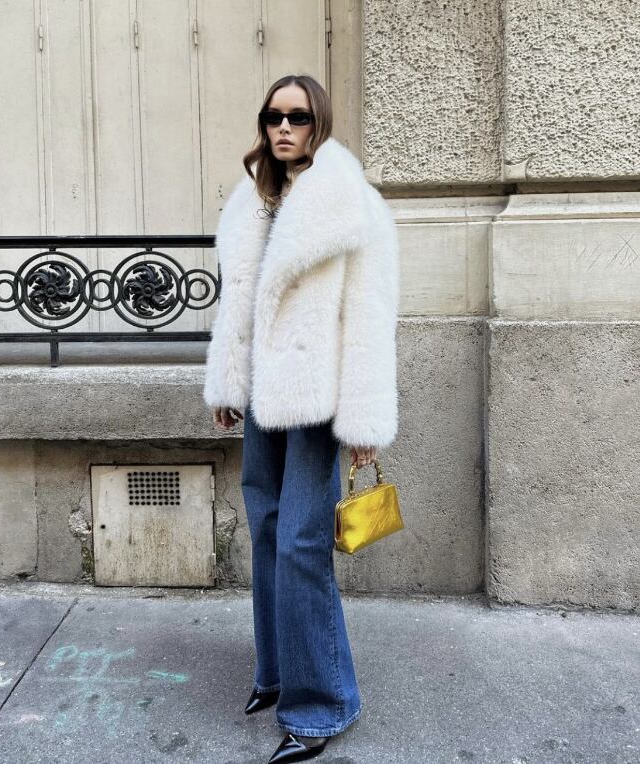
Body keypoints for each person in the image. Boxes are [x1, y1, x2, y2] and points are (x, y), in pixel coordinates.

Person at [203, 73, 399, 763]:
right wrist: (228, 381)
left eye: (298, 116)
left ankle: (323, 704)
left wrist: (363, 423)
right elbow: (237, 302)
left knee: (300, 544)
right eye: (273, 116)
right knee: (265, 531)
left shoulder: (350, 201)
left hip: (318, 400)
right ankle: (278, 673)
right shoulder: (251, 200)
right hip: (264, 397)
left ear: (319, 123)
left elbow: (369, 316)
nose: (284, 128)